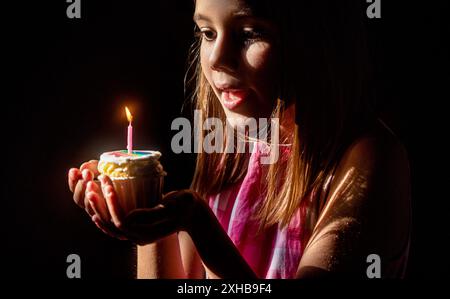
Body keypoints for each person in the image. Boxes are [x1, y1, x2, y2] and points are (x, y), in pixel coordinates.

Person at [68, 0, 411, 279]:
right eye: (207, 32)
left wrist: (200, 227)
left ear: (316, 41)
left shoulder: (370, 160)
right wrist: (147, 215)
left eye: (249, 34)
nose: (217, 58)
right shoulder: (232, 150)